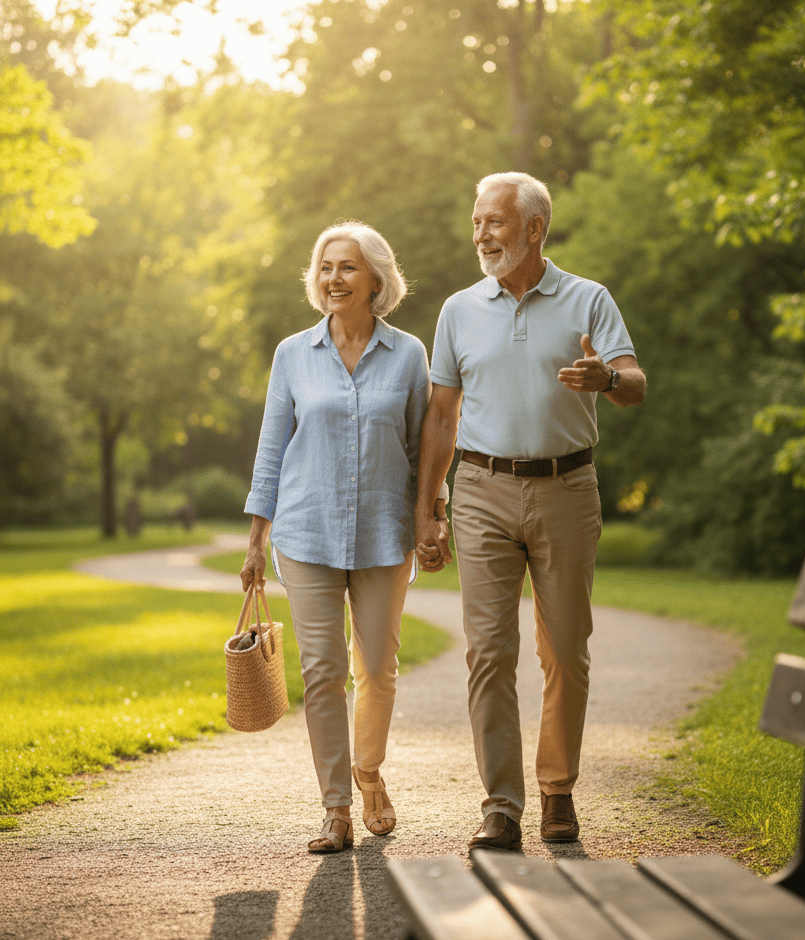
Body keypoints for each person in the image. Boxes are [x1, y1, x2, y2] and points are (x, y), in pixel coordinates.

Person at [414, 172, 646, 851]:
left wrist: (605, 378)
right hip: (483, 489)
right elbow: (440, 414)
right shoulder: (459, 310)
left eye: (495, 222)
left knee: (565, 651)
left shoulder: (587, 300)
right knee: (489, 651)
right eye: (478, 221)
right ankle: (501, 806)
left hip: (567, 490)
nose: (482, 233)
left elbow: (634, 383)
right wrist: (429, 508)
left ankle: (557, 792)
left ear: (534, 229)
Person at [241, 221, 448, 853]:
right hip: (307, 531)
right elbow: (272, 448)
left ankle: (369, 772)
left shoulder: (409, 354)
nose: (334, 278)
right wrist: (256, 541)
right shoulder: (292, 355)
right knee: (324, 670)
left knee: (378, 670)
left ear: (376, 279)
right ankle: (335, 807)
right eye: (326, 267)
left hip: (385, 533)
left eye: (348, 267)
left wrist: (430, 519)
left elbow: (424, 447)